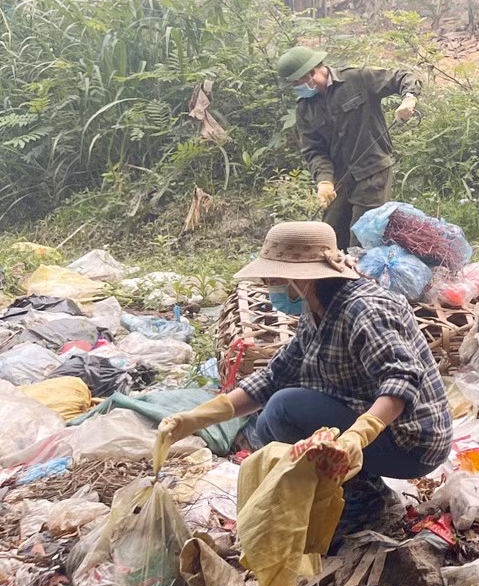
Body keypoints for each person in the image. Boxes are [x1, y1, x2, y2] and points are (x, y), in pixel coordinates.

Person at [155, 221, 453, 525]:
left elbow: (401, 380)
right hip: (377, 426)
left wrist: (356, 437)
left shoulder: (365, 309)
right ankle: (361, 488)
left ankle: (365, 500)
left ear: (302, 279)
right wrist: (196, 418)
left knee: (284, 410)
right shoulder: (318, 310)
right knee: (267, 423)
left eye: (273, 278)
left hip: (411, 443)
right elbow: (274, 377)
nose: (269, 284)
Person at [276, 46, 421, 249]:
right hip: (339, 179)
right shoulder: (304, 108)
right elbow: (314, 151)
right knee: (329, 238)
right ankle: (331, 281)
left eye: (295, 82)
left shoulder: (357, 78)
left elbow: (403, 76)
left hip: (373, 170)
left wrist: (409, 98)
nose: (295, 87)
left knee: (362, 239)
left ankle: (361, 280)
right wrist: (324, 181)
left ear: (310, 73)